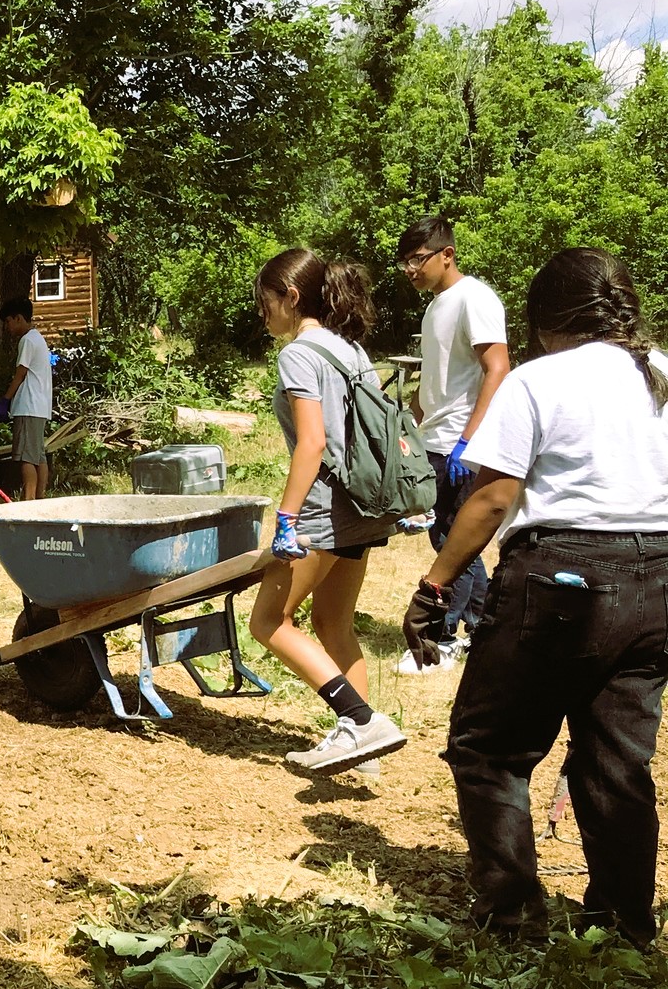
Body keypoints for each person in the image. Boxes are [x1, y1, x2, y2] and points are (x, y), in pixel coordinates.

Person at [403, 249, 668, 941]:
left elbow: (493, 497)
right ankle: (623, 924)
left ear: (547, 317)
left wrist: (434, 585)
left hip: (560, 575)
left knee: (488, 748)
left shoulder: (537, 379)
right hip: (657, 579)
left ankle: (512, 915)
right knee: (617, 758)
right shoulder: (662, 374)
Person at [246, 249, 408, 774]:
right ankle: (363, 751)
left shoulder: (299, 353)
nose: (262, 313)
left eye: (265, 301)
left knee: (270, 620)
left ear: (290, 298)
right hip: (366, 506)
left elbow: (312, 443)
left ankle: (359, 721)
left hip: (324, 509)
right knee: (333, 621)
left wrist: (288, 517)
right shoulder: (350, 348)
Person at [397, 216, 510, 672]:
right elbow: (436, 383)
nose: (410, 269)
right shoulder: (435, 306)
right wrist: (412, 429)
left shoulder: (474, 298)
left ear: (447, 254)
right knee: (448, 538)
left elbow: (497, 369)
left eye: (417, 259)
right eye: (404, 262)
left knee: (453, 542)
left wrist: (470, 440)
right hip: (436, 441)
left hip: (463, 444)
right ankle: (480, 629)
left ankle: (441, 639)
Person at [0, 297, 53, 500]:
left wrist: (5, 400)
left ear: (18, 318)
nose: (7, 327)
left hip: (28, 406)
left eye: (8, 321)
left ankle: (28, 503)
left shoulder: (26, 340)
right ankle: (41, 499)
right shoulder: (38, 339)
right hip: (40, 406)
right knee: (39, 457)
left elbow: (20, 374)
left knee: (26, 458)